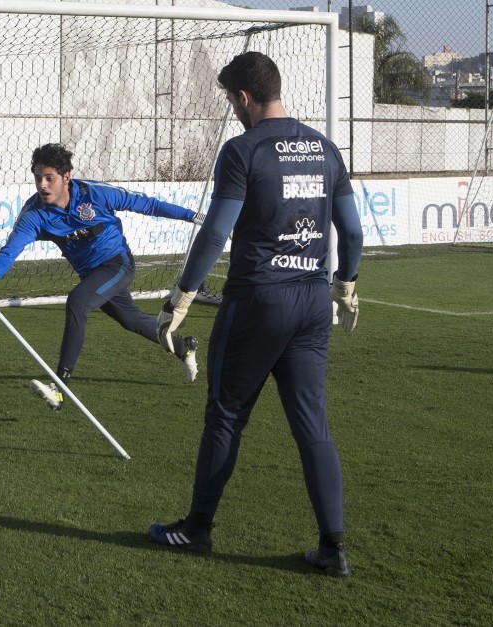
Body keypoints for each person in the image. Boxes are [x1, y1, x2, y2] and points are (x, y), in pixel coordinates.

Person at [147, 52, 363, 578]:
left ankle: (197, 529)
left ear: (243, 97)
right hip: (313, 301)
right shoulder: (325, 147)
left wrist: (182, 295)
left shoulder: (243, 149)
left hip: (258, 300)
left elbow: (217, 232)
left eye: (230, 99)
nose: (232, 109)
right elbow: (352, 232)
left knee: (225, 414)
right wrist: (347, 285)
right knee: (313, 425)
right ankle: (333, 548)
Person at [0, 143, 201, 411]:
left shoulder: (94, 193)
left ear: (66, 177)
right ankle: (184, 347)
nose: (42, 185)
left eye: (49, 178)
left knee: (77, 302)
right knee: (131, 320)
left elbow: (146, 204)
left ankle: (59, 387)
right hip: (92, 275)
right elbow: (12, 248)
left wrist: (192, 215)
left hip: (117, 264)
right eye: (37, 178)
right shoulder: (35, 214)